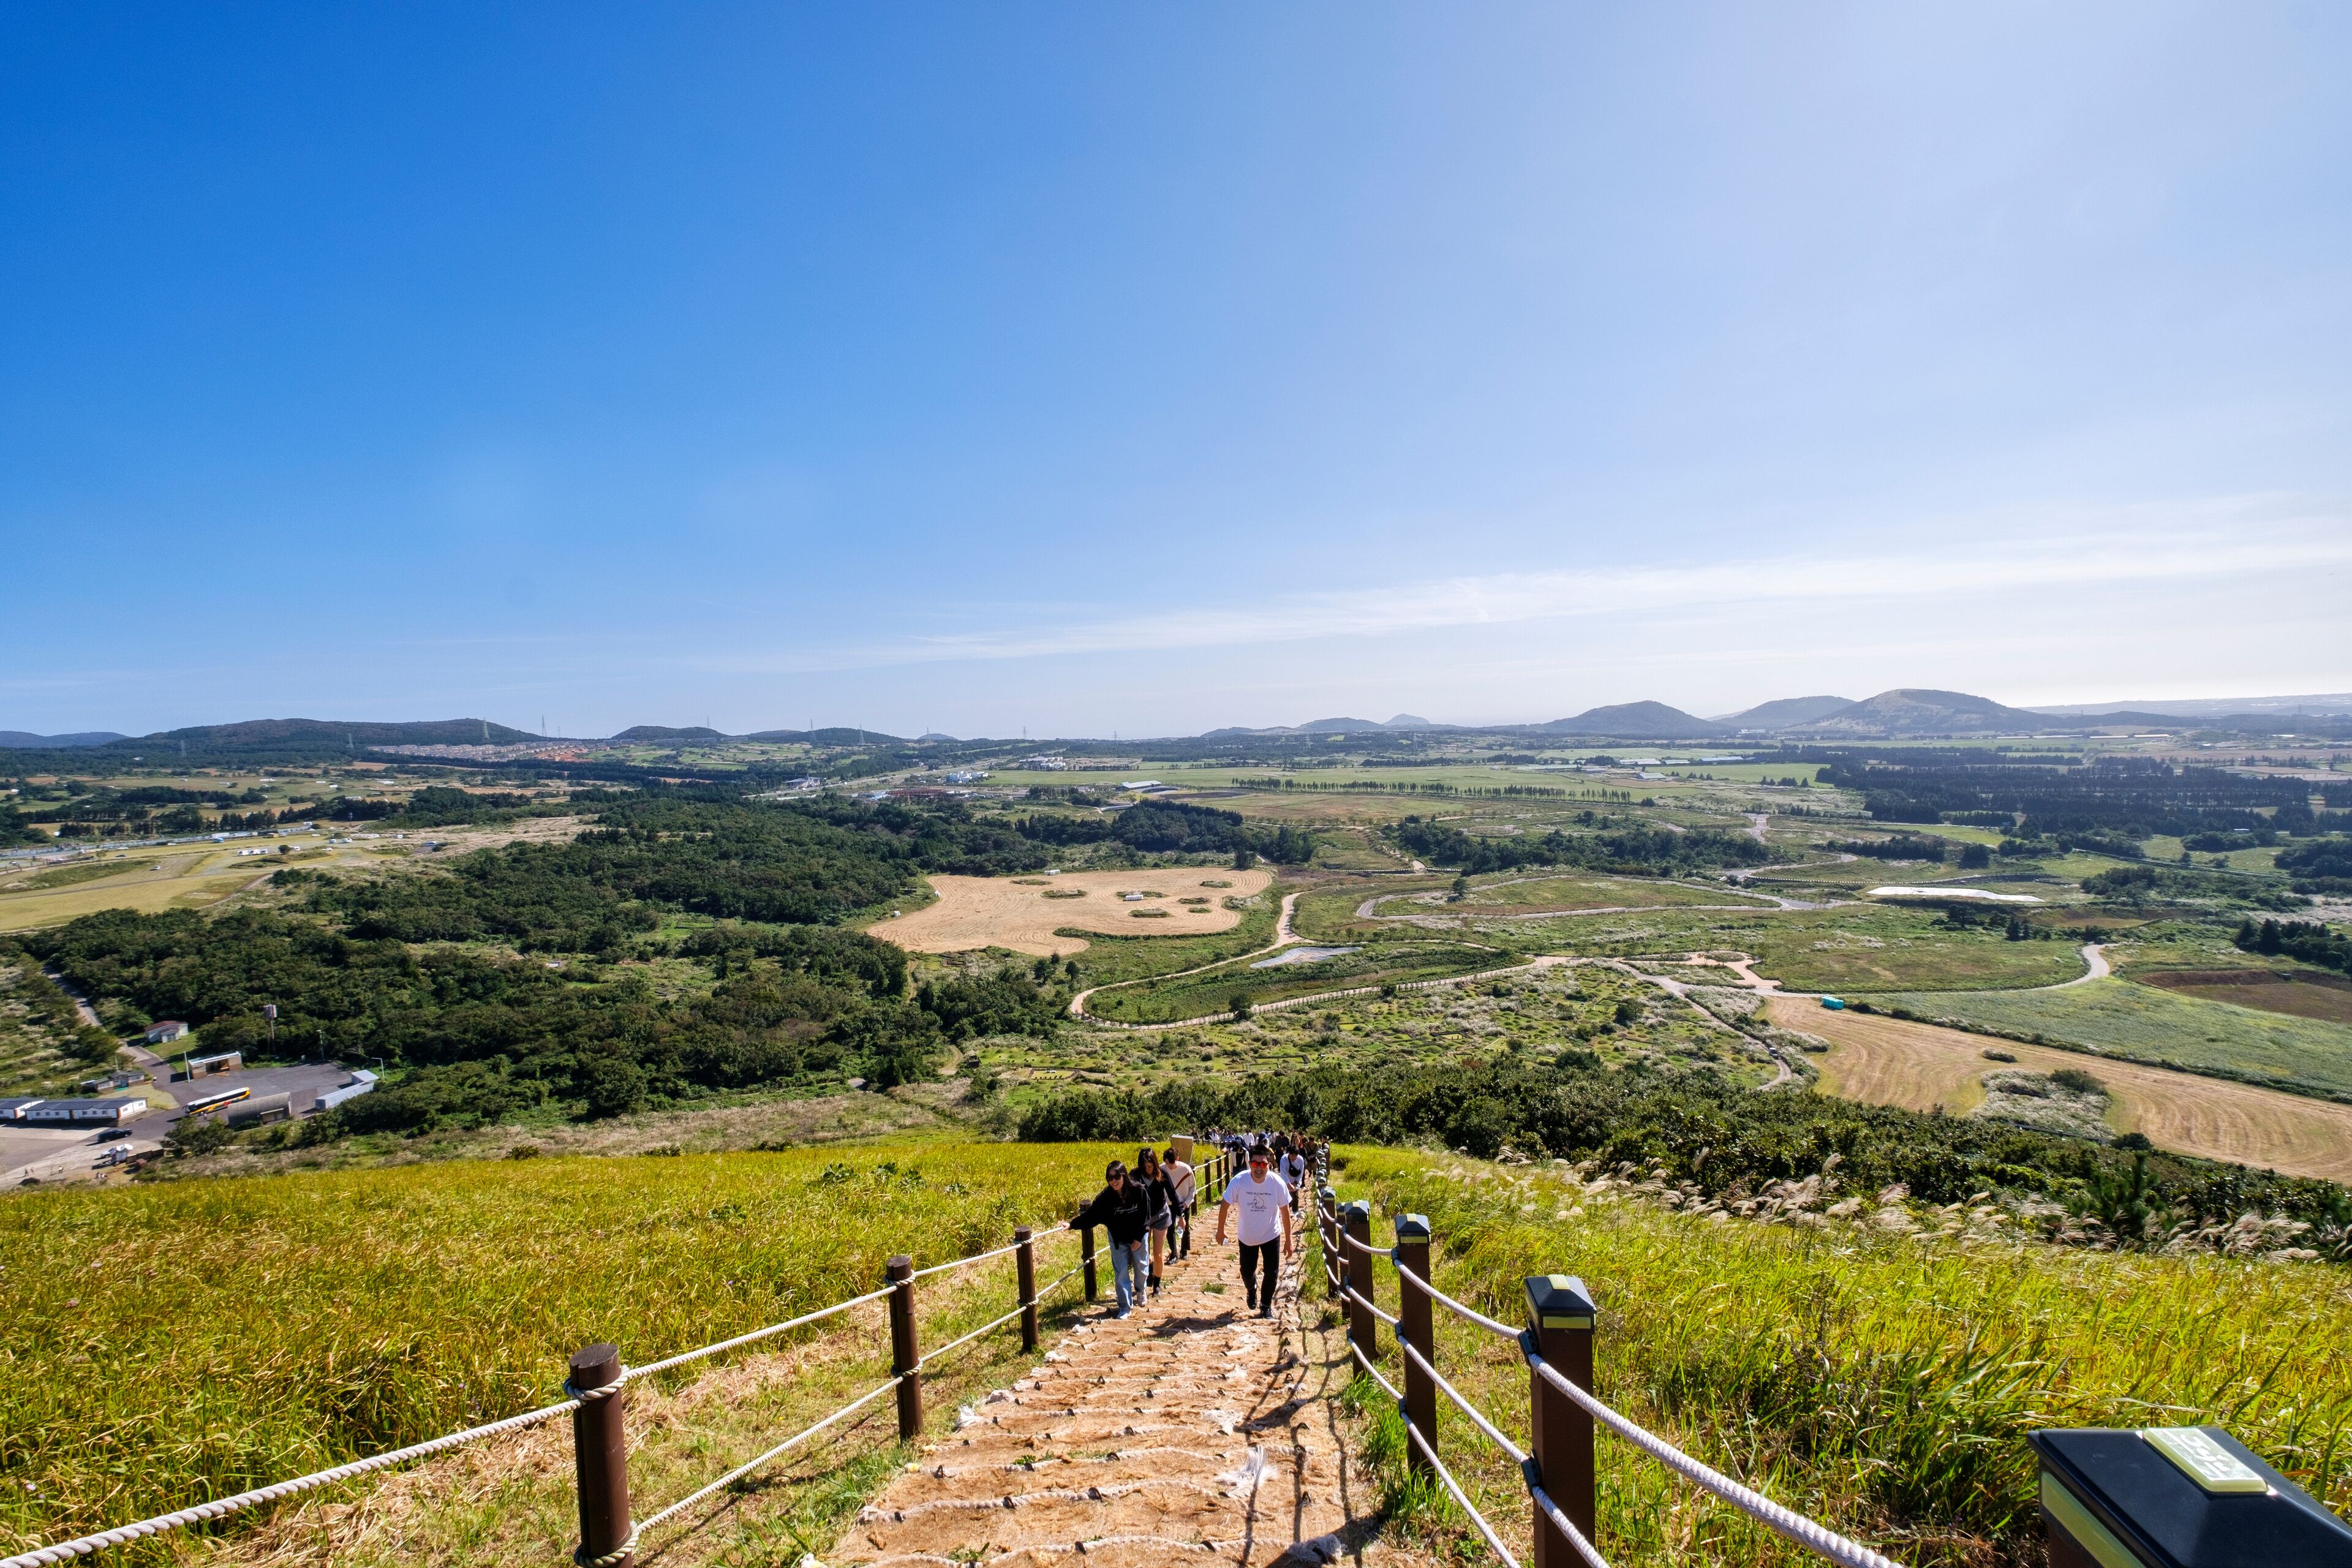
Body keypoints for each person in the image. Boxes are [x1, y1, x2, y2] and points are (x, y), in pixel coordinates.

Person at [1215, 1144, 1294, 1319]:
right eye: (1256, 1164)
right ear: (1250, 1164)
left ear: (1269, 1164)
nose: (1259, 1168)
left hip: (1271, 1234)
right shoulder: (1240, 1181)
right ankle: (1252, 1288)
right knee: (1246, 1271)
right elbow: (1225, 1205)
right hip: (1247, 1235)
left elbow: (1285, 1211)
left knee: (1272, 1273)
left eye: (1263, 1164)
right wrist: (1220, 1231)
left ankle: (1266, 1306)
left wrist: (1289, 1240)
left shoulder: (1277, 1183)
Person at [1071, 1159, 1150, 1317]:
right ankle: (1125, 1307)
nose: (1113, 1181)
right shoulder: (1105, 1197)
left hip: (1138, 1236)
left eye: (1116, 1177)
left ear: (1124, 1176)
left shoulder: (1139, 1191)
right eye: (1109, 1177)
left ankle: (1141, 1290)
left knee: (1141, 1268)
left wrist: (1138, 1236)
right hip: (1118, 1239)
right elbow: (1091, 1216)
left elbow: (1145, 1215)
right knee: (1121, 1273)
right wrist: (1071, 1224)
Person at [1136, 1147, 1177, 1297]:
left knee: (1158, 1254)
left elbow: (1173, 1196)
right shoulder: (1135, 1175)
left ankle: (1157, 1286)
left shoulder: (1163, 1174)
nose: (1148, 1168)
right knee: (1144, 1253)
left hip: (1160, 1215)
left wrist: (1181, 1217)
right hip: (1144, 1218)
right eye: (1145, 1165)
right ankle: (1150, 1267)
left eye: (1151, 1164)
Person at [1163, 1144, 1197, 1260]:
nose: (1169, 1167)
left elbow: (1193, 1187)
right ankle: (1174, 1253)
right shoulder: (1162, 1169)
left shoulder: (1186, 1169)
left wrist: (1187, 1202)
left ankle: (1184, 1250)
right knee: (1170, 1228)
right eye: (1167, 1163)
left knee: (1184, 1227)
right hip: (1168, 1204)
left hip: (1183, 1203)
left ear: (1177, 1159)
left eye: (1171, 1163)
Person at [1280, 1143, 1308, 1212]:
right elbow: (1283, 1173)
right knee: (1286, 1197)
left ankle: (1295, 1211)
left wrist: (1295, 1183)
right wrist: (1289, 1184)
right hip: (1286, 1181)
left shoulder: (1300, 1160)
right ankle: (1287, 1211)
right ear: (1289, 1153)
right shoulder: (1284, 1159)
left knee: (1295, 1196)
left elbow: (1301, 1172)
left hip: (1296, 1181)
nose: (1294, 1158)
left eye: (1295, 1156)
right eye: (1292, 1156)